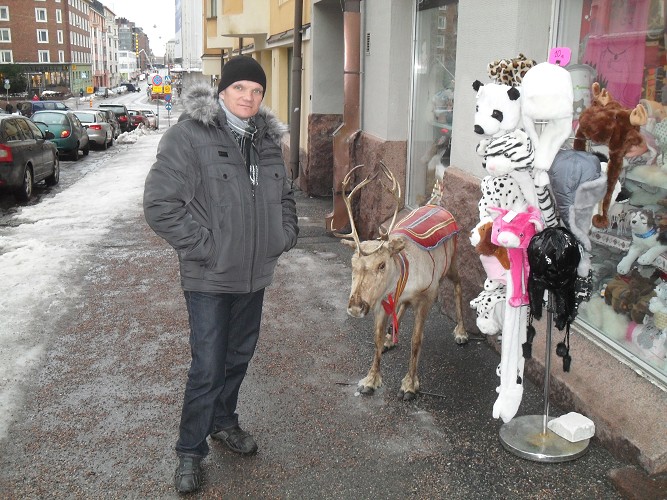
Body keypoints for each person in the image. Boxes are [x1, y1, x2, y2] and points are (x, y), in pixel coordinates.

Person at [143, 56, 299, 494]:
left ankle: (224, 422)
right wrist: (206, 249)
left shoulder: (268, 142)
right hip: (210, 278)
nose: (248, 97)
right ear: (222, 91)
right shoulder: (189, 137)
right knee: (208, 366)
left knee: (238, 358)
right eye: (239, 89)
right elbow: (160, 205)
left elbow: (285, 195)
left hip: (254, 276)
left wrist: (282, 235)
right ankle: (190, 452)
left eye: (256, 91)